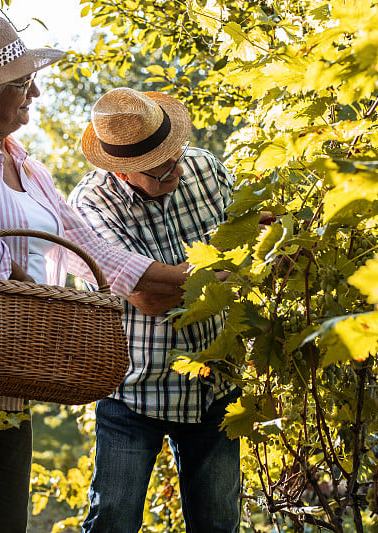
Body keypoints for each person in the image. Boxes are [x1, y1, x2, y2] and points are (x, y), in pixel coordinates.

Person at [0, 18, 188, 533]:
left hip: (7, 357)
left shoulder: (25, 164)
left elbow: (85, 247)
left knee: (3, 521)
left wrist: (185, 278)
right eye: (23, 84)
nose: (36, 92)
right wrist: (21, 284)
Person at [68, 87, 241, 533]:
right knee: (113, 522)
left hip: (214, 384)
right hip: (134, 391)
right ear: (124, 174)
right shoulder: (91, 206)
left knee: (220, 524)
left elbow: (251, 238)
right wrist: (227, 264)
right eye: (161, 171)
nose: (176, 171)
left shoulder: (204, 168)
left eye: (175, 155)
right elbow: (147, 298)